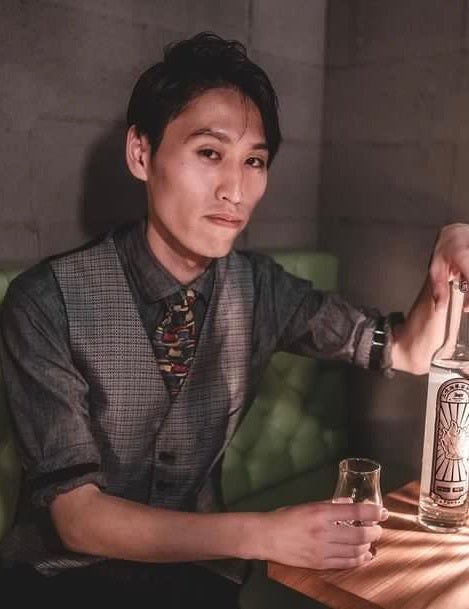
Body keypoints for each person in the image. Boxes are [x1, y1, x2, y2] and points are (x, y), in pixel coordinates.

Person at [0, 31, 469, 607]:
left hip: (195, 580)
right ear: (141, 153)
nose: (235, 190)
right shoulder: (44, 300)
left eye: (254, 161)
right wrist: (266, 533)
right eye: (209, 153)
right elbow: (77, 519)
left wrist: (445, 262)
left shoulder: (261, 287)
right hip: (61, 583)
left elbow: (407, 350)